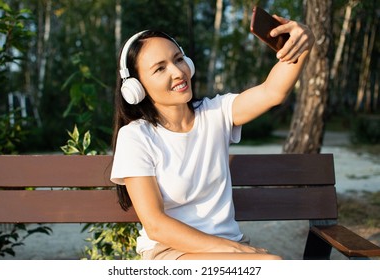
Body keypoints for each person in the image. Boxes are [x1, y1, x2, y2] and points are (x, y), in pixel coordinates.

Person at [110, 15, 314, 260]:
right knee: (272, 265)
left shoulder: (216, 113)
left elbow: (273, 91)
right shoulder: (136, 136)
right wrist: (237, 250)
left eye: (178, 59)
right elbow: (155, 225)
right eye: (160, 68)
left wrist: (304, 42)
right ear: (136, 87)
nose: (177, 72)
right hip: (171, 251)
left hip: (228, 247)